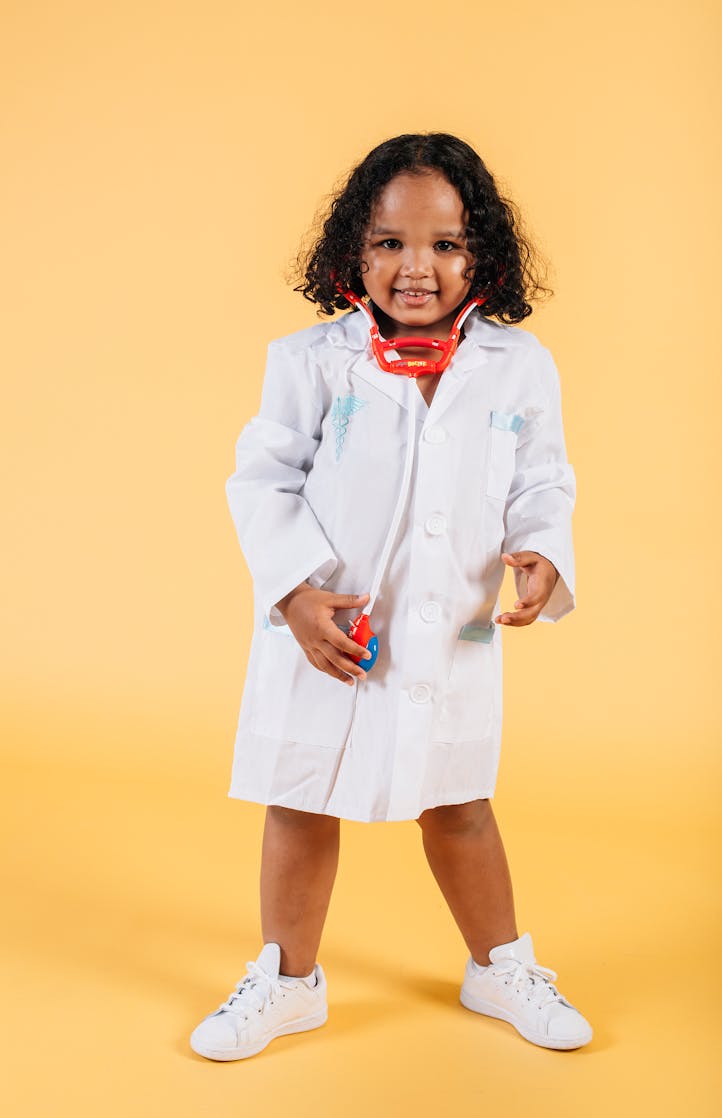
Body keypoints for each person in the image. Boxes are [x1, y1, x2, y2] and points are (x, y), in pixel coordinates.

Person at [190, 132, 593, 1062]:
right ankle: (289, 982)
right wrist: (294, 595)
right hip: (328, 627)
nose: (419, 268)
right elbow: (261, 481)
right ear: (352, 253)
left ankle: (499, 966)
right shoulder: (309, 361)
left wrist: (538, 550)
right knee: (299, 795)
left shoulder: (518, 366)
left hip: (449, 628)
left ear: (481, 252)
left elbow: (544, 479)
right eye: (391, 242)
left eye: (447, 244)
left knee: (459, 799)